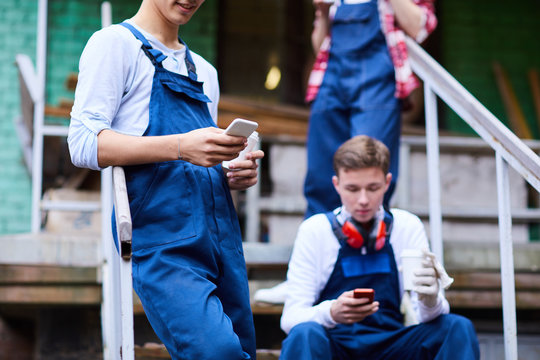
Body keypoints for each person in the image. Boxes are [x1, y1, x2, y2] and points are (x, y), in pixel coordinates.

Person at [67, 1, 263, 359]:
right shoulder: (115, 44)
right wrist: (180, 146)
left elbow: (194, 162)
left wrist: (229, 169)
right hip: (163, 241)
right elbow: (83, 143)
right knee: (218, 352)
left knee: (241, 350)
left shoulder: (204, 70)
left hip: (221, 240)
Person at [280, 135, 479, 359]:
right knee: (304, 334)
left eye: (373, 188)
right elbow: (290, 319)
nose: (363, 200)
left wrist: (431, 298)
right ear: (336, 185)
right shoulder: (315, 230)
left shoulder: (406, 226)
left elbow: (426, 318)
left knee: (456, 327)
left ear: (387, 182)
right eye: (353, 189)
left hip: (392, 346)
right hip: (334, 347)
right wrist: (332, 312)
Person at [303, 0, 438, 217]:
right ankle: (319, 239)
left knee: (368, 165)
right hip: (330, 84)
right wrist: (323, 10)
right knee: (320, 172)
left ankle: (367, 240)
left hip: (377, 84)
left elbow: (419, 28)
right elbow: (320, 47)